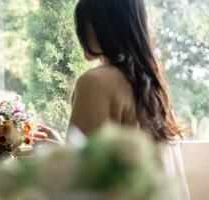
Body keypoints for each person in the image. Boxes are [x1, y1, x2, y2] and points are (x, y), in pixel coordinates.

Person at [35, 0, 190, 199]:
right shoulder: (153, 86)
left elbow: (85, 185)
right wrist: (65, 153)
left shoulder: (97, 81)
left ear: (97, 25)